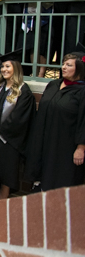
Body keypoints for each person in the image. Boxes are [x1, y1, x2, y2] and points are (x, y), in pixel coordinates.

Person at [0, 50, 36, 218]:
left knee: (7, 171)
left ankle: (0, 206)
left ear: (16, 68)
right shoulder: (0, 87)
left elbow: (20, 116)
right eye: (2, 67)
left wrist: (1, 130)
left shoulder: (23, 91)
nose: (4, 69)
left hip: (10, 138)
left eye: (8, 66)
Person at [25, 52, 85, 191]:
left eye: (68, 65)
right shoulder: (53, 85)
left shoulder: (81, 91)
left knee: (60, 179)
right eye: (63, 64)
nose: (63, 67)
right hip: (44, 141)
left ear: (80, 68)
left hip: (65, 145)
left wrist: (81, 147)